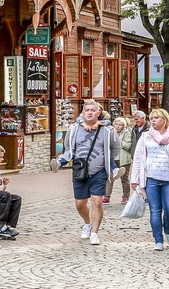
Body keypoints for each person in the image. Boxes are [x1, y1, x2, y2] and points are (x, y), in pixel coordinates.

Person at [51, 100, 120, 246]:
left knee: (97, 201)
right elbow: (69, 148)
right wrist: (63, 159)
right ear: (82, 113)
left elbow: (115, 147)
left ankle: (94, 233)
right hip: (80, 171)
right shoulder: (74, 129)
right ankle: (87, 223)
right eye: (87, 110)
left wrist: (108, 161)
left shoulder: (107, 130)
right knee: (80, 204)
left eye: (92, 110)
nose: (89, 112)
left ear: (98, 113)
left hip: (99, 171)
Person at [130, 108, 169, 251]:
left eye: (156, 118)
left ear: (165, 120)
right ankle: (158, 239)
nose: (153, 120)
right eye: (151, 118)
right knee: (155, 210)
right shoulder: (146, 137)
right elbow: (138, 158)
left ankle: (168, 229)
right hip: (151, 178)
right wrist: (135, 179)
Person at [112, 117, 134, 204]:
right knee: (110, 178)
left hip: (123, 159)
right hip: (113, 158)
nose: (117, 126)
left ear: (123, 126)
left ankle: (126, 197)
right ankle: (106, 196)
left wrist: (119, 141)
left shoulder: (126, 133)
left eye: (120, 125)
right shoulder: (111, 133)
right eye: (116, 124)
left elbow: (128, 146)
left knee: (124, 179)